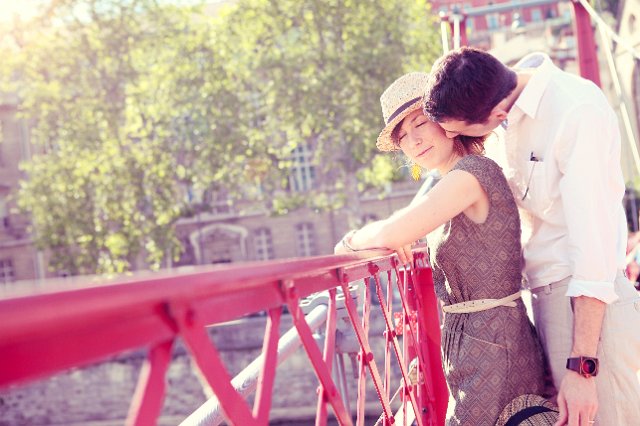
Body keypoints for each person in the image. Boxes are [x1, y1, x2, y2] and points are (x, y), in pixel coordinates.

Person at [422, 46, 640, 426]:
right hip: (540, 303)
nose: (452, 138)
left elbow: (594, 253)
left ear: (498, 115)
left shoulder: (575, 110)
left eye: (458, 131)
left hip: (585, 310)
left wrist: (583, 369)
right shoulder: (497, 99)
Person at [334, 72, 550, 425]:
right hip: (481, 339)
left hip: (493, 342)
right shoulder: (459, 178)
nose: (414, 141)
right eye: (403, 137)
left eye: (420, 123)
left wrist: (349, 242)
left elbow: (392, 230)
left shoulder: (470, 174)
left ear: (445, 120)